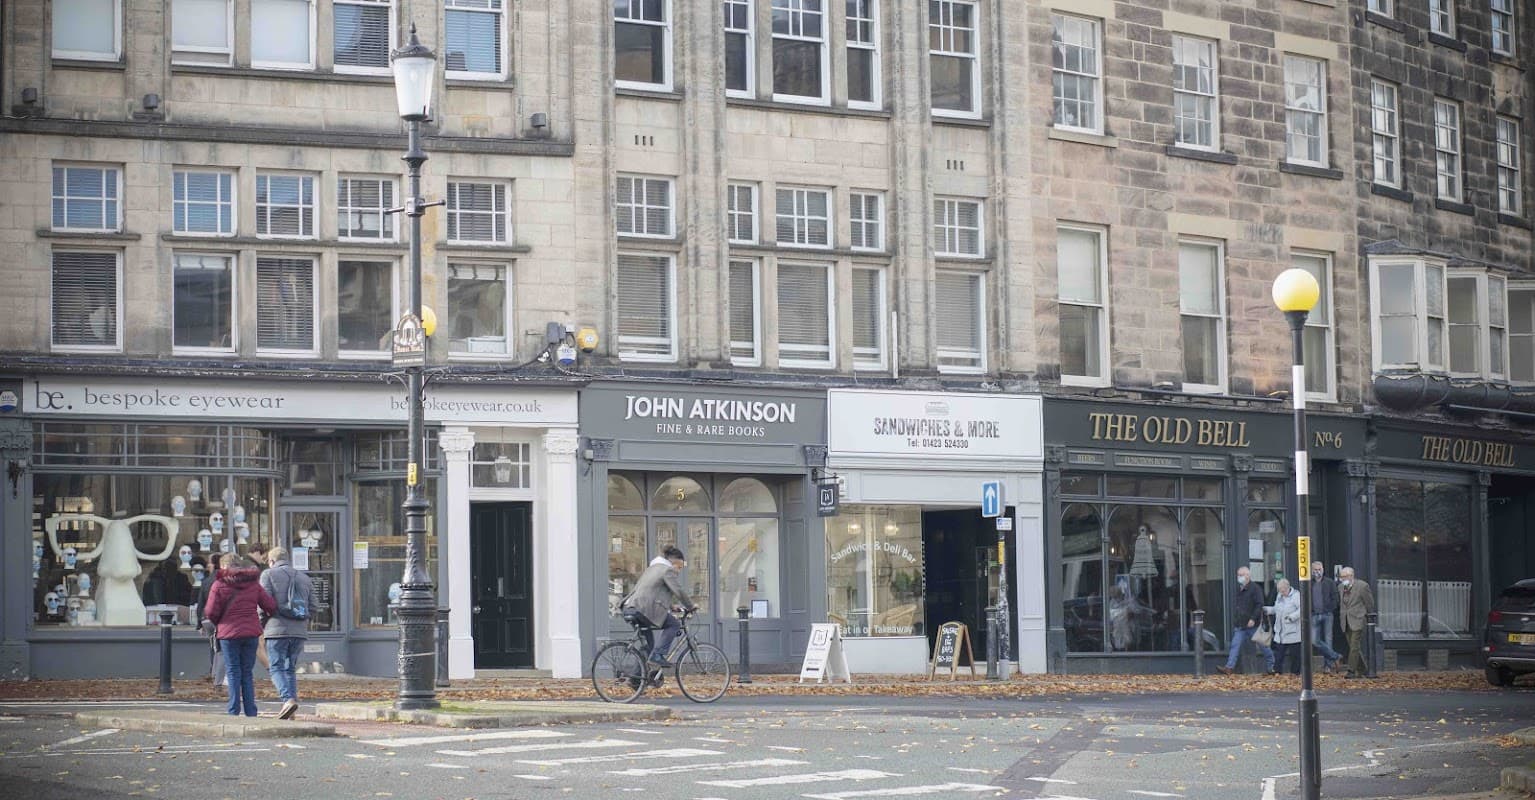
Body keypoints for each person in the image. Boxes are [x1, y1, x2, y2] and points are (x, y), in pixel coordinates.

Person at [202, 555, 276, 717]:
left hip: (228, 633)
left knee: (233, 671)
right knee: (247, 672)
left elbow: (210, 611)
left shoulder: (219, 584)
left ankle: (233, 710)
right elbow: (270, 605)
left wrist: (220, 622)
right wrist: (260, 622)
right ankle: (251, 711)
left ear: (224, 567)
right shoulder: (253, 584)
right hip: (250, 632)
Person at [621, 545, 696, 671]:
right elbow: (678, 590)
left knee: (648, 646)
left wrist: (672, 606)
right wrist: (690, 606)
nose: (678, 571)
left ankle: (635, 681)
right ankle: (659, 654)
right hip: (644, 609)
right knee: (674, 624)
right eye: (679, 567)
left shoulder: (652, 569)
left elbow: (651, 592)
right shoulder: (667, 570)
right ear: (673, 562)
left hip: (631, 608)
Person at [260, 547, 313, 721]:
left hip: (276, 629)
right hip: (299, 631)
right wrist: (302, 621)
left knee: (276, 667)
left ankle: (287, 700)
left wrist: (262, 624)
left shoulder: (268, 575)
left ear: (272, 561)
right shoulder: (304, 578)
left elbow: (264, 603)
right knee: (289, 668)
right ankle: (292, 710)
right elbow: (314, 606)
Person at [1218, 566, 1275, 675]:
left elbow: (1259, 604)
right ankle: (1229, 667)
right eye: (1238, 575)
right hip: (1241, 624)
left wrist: (1253, 618)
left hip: (1253, 624)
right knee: (1235, 644)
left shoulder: (1255, 588)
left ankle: (1271, 666)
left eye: (1241, 575)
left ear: (1248, 575)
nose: (1239, 577)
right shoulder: (1239, 588)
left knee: (1263, 646)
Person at [194, 555, 226, 688]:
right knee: (222, 649)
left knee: (214, 647)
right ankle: (217, 676)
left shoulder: (207, 581)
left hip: (207, 619)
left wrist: (199, 624)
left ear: (214, 564)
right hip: (222, 619)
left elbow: (200, 604)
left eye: (209, 563)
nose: (208, 565)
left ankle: (214, 672)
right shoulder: (226, 580)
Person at [1339, 567, 1376, 678]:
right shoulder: (1340, 587)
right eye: (1341, 577)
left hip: (1358, 619)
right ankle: (1363, 669)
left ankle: (1351, 671)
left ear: (1351, 576)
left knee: (1354, 645)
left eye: (1345, 576)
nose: (1343, 579)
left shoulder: (1362, 586)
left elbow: (1369, 602)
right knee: (1353, 646)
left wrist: (1368, 615)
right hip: (1345, 620)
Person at [1271, 579, 1303, 674]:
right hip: (1281, 631)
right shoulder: (1279, 596)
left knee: (1295, 654)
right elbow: (1276, 609)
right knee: (1279, 653)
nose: (1281, 592)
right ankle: (1277, 671)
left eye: (1283, 590)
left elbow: (1302, 609)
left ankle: (1295, 673)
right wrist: (1268, 610)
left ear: (1288, 588)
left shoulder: (1296, 596)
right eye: (1279, 590)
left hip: (1293, 630)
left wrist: (1292, 617)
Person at [1311, 561, 1339, 651]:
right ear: (1312, 570)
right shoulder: (1309, 583)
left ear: (1323, 570)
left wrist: (1330, 608)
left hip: (1327, 614)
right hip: (1314, 614)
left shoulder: (1329, 582)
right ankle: (1334, 656)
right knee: (1314, 640)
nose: (1317, 572)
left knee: (1328, 639)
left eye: (1319, 569)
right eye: (1315, 569)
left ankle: (1329, 664)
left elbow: (1335, 597)